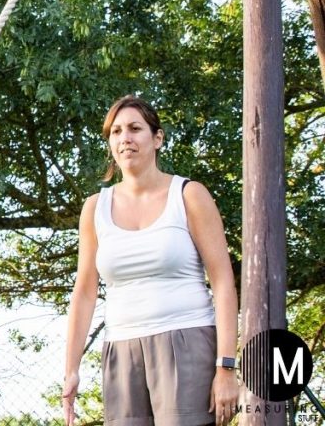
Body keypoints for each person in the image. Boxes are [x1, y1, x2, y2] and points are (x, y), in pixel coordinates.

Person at [62, 95, 239, 426]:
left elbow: (223, 282)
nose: (124, 138)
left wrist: (226, 366)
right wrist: (71, 369)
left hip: (186, 342)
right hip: (121, 349)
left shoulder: (189, 195)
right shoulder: (94, 209)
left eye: (134, 128)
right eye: (115, 132)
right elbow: (84, 292)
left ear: (157, 138)